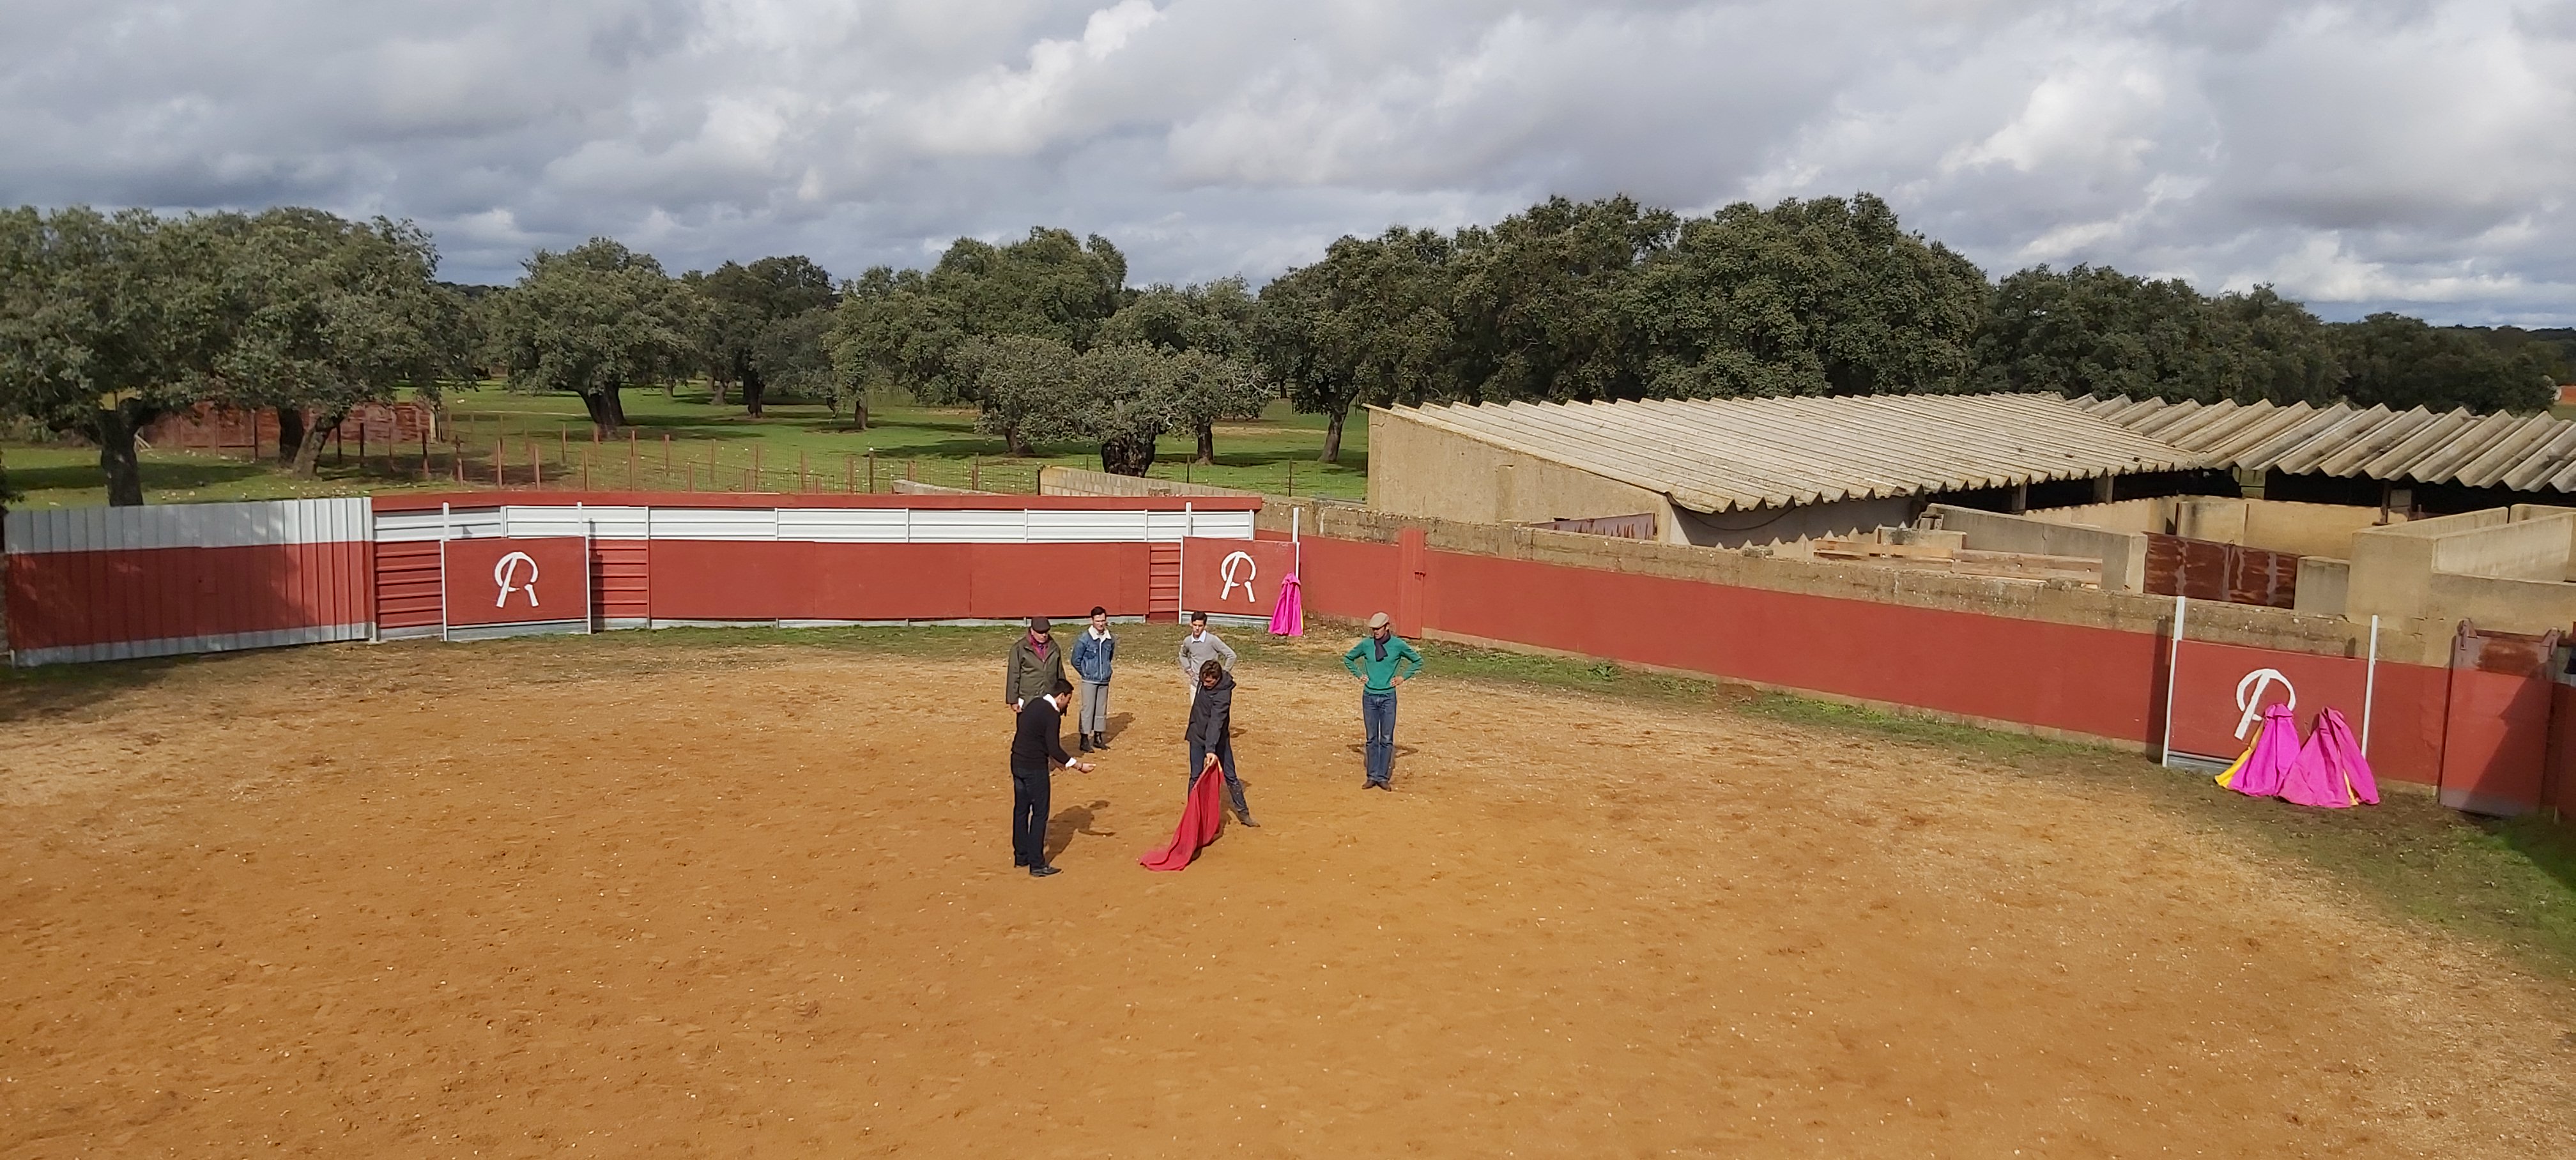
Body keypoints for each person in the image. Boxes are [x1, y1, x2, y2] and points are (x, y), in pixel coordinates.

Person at [1009, 678, 1092, 876]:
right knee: (1040, 814)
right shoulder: (1052, 715)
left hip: (1017, 762)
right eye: (1069, 699)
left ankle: (1021, 856)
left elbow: (1033, 736)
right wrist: (1077, 765)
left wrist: (1055, 761)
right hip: (1034, 769)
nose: (1068, 704)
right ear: (1061, 696)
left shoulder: (1034, 704)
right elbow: (1054, 747)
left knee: (1021, 810)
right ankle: (1037, 864)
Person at [1342, 611, 1423, 790]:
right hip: (1369, 696)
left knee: (1386, 738)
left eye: (1378, 628)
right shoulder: (1366, 645)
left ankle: (1382, 777)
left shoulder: (1398, 645)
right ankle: (1372, 776)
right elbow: (1348, 659)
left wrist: (1403, 678)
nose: (1375, 632)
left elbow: (1417, 661)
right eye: (1373, 629)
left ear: (1387, 627)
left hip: (1388, 697)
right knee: (1371, 738)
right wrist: (1359, 675)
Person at [1184, 658, 1257, 827]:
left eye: (1209, 682)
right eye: (1204, 681)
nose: (1206, 684)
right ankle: (1192, 816)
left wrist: (1211, 749)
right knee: (1195, 777)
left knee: (1230, 776)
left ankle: (1243, 813)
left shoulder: (1224, 694)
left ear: (1217, 679)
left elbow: (1216, 722)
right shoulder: (1205, 679)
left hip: (1218, 741)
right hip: (1197, 735)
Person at [1071, 606, 1116, 752]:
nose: (1101, 624)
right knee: (1088, 708)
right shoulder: (1084, 639)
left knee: (1101, 709)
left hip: (1104, 679)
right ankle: (1084, 739)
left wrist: (1106, 671)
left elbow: (1110, 657)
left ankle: (1098, 737)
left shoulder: (1110, 639)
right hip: (1090, 679)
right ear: (1092, 621)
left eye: (1103, 621)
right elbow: (1075, 659)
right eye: (1098, 621)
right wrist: (1085, 672)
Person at [1004, 616, 1069, 712]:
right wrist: (1013, 700)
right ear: (1032, 631)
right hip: (1028, 700)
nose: (1044, 635)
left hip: (1050, 698)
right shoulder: (1019, 649)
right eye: (1040, 632)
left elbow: (1060, 673)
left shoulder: (1054, 648)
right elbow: (1013, 675)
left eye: (1046, 632)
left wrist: (1064, 695)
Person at [1177, 610, 1236, 702]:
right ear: (1191, 624)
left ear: (1205, 626)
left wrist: (1224, 673)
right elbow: (1182, 654)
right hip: (1195, 685)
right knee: (1196, 714)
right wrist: (1188, 669)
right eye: (1195, 625)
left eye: (1200, 626)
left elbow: (1231, 656)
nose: (1197, 628)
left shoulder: (1213, 640)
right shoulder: (1188, 641)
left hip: (1211, 686)